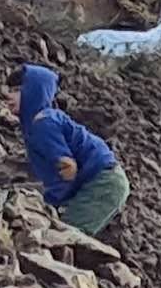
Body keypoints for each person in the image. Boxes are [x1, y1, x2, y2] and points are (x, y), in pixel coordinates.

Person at [18, 62, 130, 236]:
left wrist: (47, 199)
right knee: (62, 232)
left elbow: (68, 170)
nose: (7, 97)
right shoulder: (43, 120)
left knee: (65, 234)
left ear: (33, 92)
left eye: (16, 91)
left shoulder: (43, 124)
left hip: (103, 184)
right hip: (105, 180)